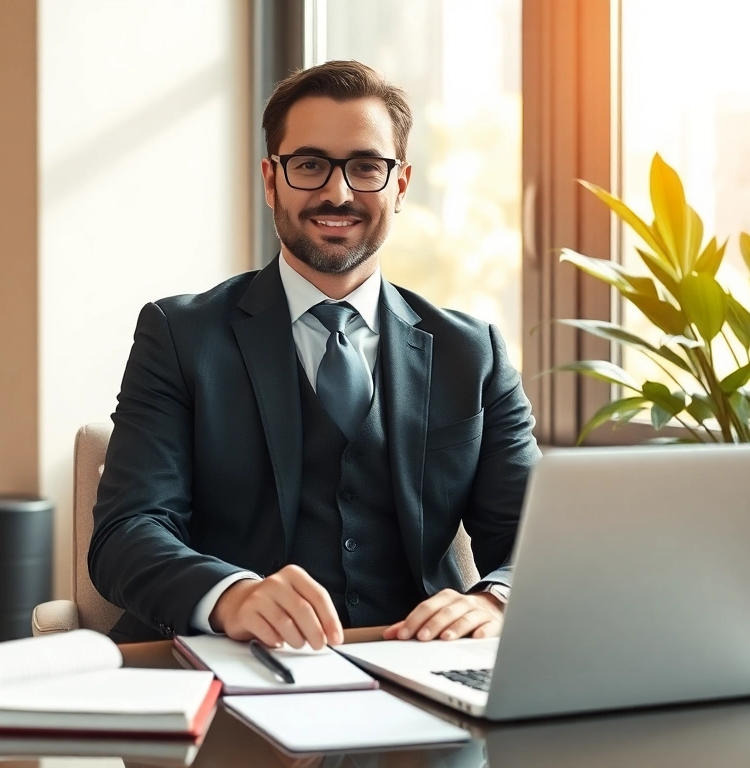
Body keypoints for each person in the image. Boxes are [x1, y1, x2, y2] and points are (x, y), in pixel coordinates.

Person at [89, 60, 540, 648]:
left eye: (365, 166)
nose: (337, 191)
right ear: (271, 179)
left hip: (418, 674)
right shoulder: (179, 335)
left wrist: (498, 600)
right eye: (308, 165)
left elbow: (537, 538)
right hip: (229, 669)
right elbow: (127, 531)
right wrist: (230, 596)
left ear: (399, 184)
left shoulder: (471, 351)